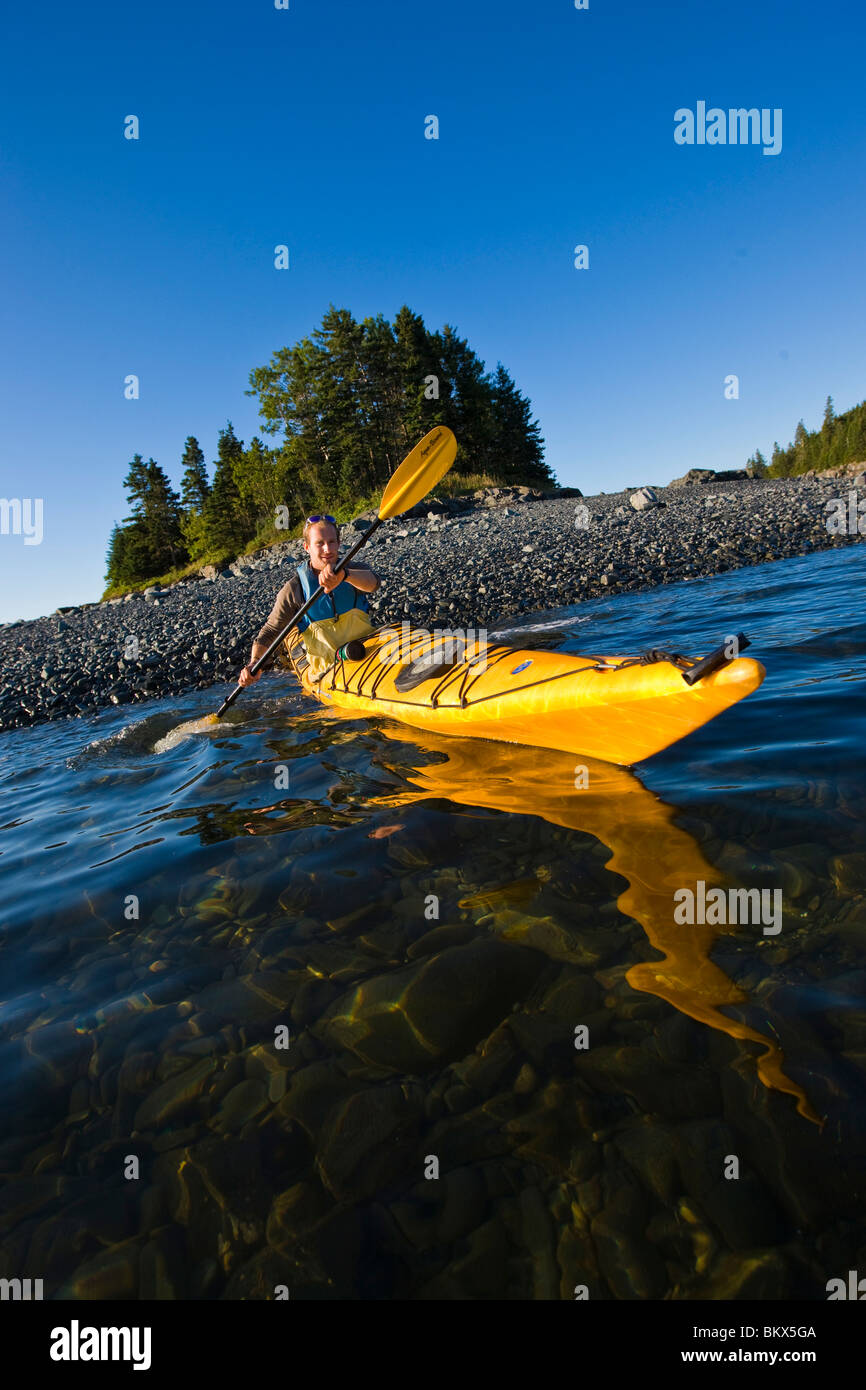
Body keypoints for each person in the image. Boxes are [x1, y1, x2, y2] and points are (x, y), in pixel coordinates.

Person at [238, 515, 380, 685]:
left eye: (332, 541)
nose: (327, 549)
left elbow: (374, 584)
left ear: (339, 543)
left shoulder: (354, 570)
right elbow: (270, 631)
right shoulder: (294, 588)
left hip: (368, 653)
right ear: (307, 547)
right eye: (319, 543)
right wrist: (254, 662)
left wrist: (345, 576)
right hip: (328, 671)